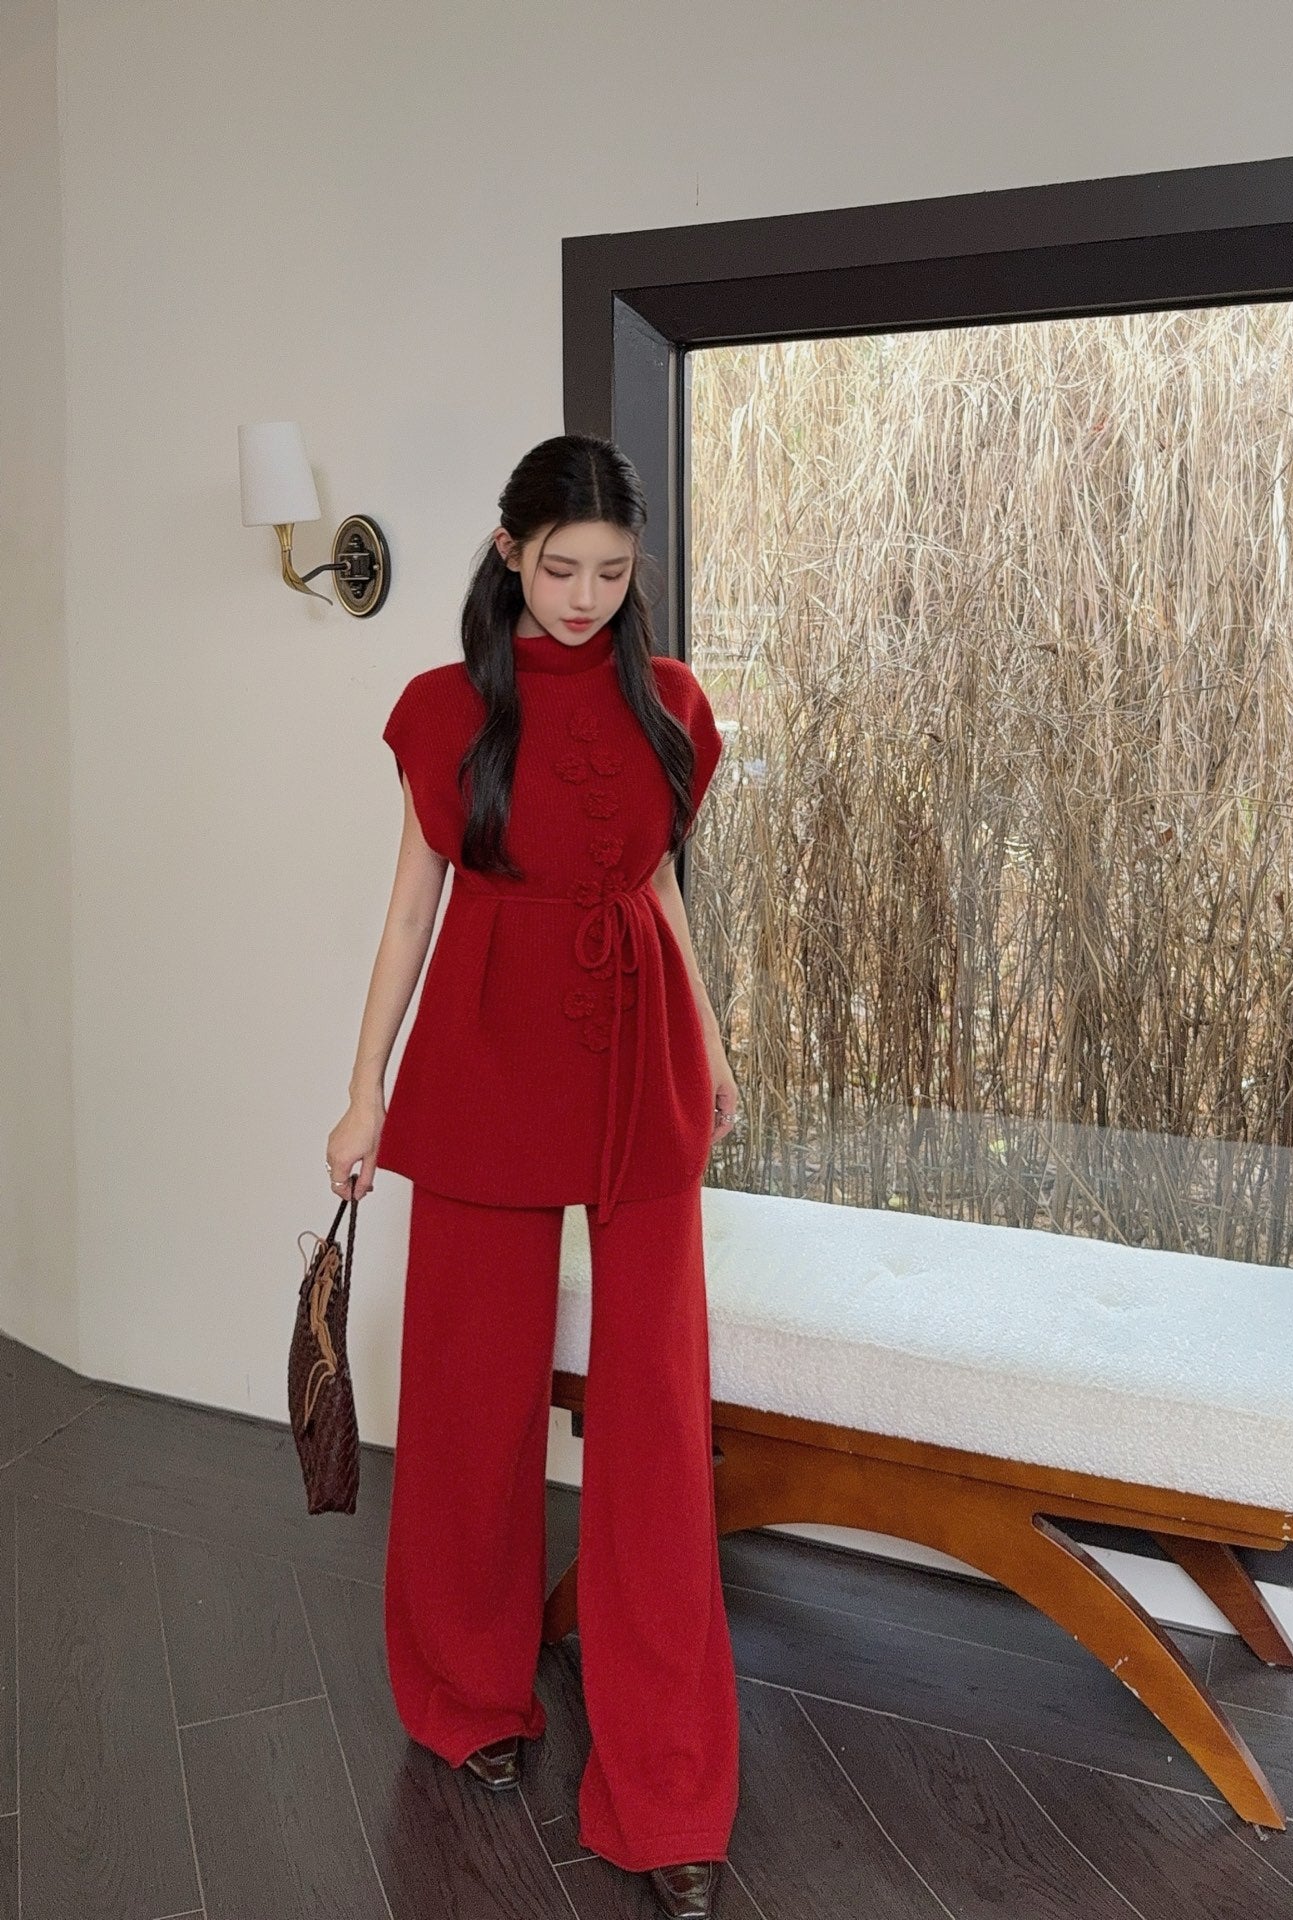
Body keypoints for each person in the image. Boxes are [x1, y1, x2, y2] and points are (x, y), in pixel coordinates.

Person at [325, 433, 741, 1920]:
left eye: (612, 573)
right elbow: (408, 918)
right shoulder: (447, 711)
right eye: (560, 568)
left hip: (641, 1062)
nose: (584, 597)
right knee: (469, 1397)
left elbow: (661, 885)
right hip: (489, 1053)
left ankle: (669, 1792)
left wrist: (710, 1039)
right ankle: (465, 1697)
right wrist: (364, 1090)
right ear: (509, 553)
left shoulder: (670, 700)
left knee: (654, 1430)